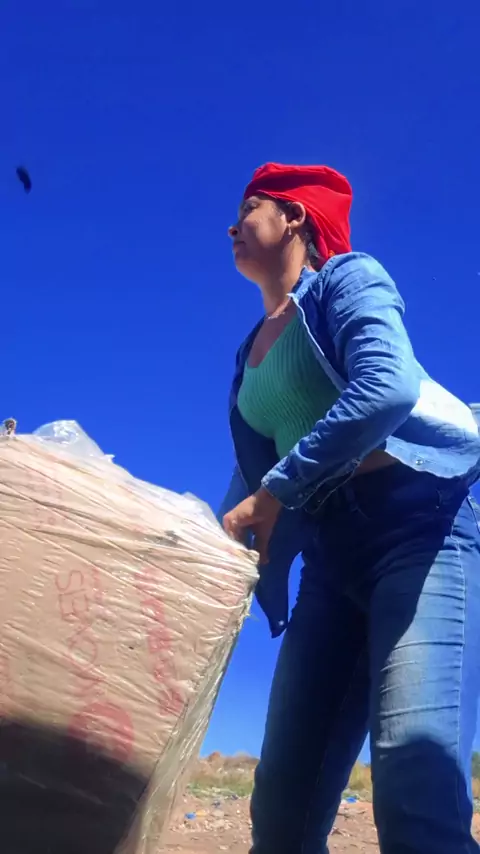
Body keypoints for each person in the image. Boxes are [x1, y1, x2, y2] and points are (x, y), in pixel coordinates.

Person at [219, 162, 480, 854]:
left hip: (419, 530)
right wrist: (200, 544)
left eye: (248, 210)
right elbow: (252, 474)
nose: (231, 227)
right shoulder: (248, 354)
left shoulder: (347, 279)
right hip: (328, 560)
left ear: (294, 218)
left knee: (417, 797)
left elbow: (386, 386)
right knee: (283, 814)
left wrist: (276, 491)